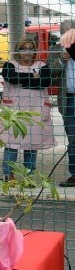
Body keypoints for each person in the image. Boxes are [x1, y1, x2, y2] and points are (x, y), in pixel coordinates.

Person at [1, 37, 55, 179]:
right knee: (11, 143)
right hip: (13, 110)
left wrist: (23, 80)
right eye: (24, 48)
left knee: (32, 144)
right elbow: (11, 77)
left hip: (36, 110)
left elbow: (45, 82)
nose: (27, 52)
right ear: (18, 51)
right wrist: (33, 76)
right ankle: (8, 175)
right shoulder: (9, 64)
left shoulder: (42, 65)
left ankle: (28, 176)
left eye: (30, 49)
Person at [57, 24, 75, 187]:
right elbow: (49, 72)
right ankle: (74, 174)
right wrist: (62, 59)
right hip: (68, 100)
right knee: (73, 139)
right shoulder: (55, 49)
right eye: (63, 33)